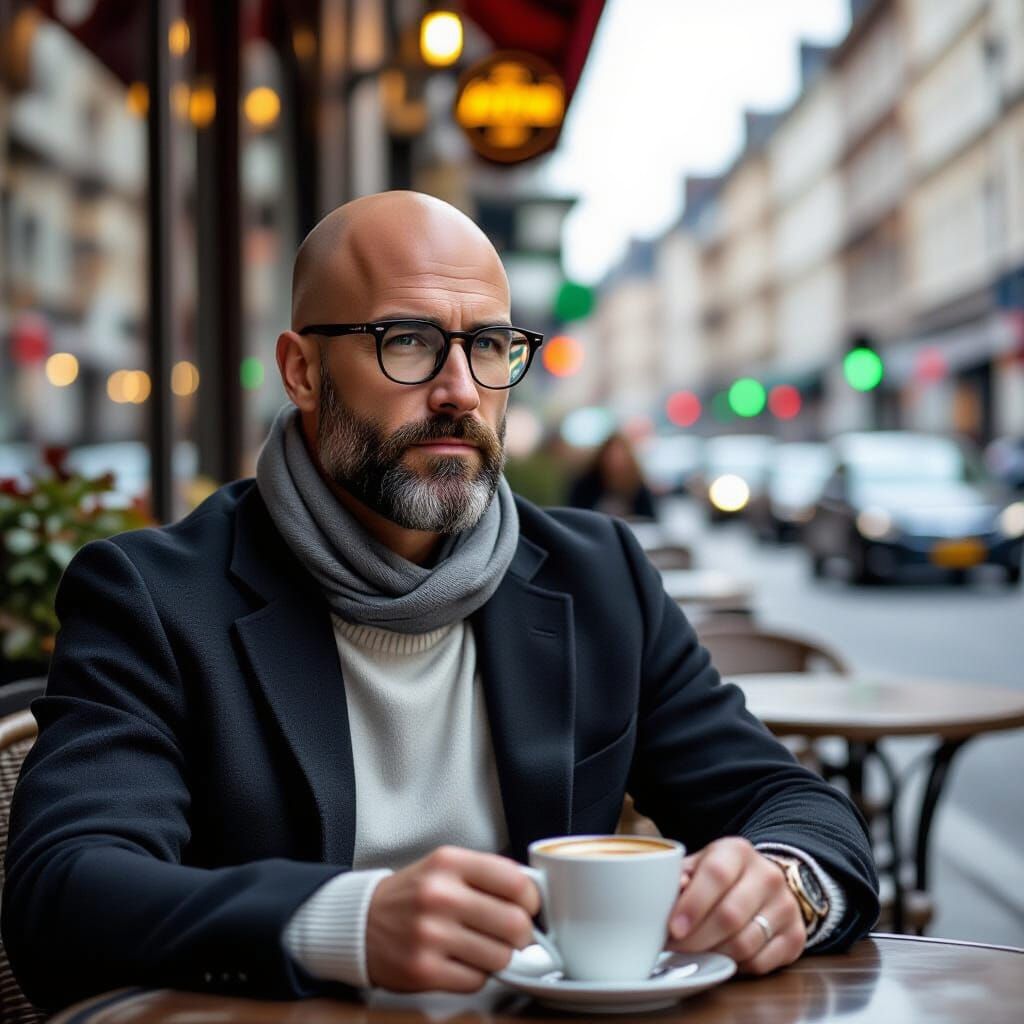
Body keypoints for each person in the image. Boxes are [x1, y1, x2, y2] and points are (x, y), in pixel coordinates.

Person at [3, 192, 878, 1011]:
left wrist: (785, 885)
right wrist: (346, 923)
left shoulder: (597, 574)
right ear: (302, 371)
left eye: (491, 345)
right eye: (409, 340)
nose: (461, 389)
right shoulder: (155, 597)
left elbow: (792, 805)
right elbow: (64, 895)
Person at [569, 432, 657, 519]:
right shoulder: (585, 485)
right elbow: (576, 515)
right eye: (611, 457)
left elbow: (648, 518)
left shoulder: (637, 486)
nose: (616, 462)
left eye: (620, 458)